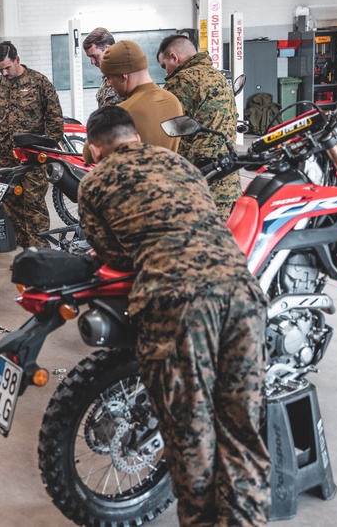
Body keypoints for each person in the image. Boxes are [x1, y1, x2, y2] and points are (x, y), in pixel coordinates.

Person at [77, 105, 271, 527]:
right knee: (242, 433)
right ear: (134, 135)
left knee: (192, 439)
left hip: (176, 306)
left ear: (94, 149)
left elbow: (112, 254)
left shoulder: (94, 184)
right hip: (242, 294)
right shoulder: (178, 162)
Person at [0, 41, 64, 250]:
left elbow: (55, 118)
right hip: (4, 155)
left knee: (34, 203)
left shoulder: (39, 82)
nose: (4, 73)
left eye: (7, 67)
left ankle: (41, 254)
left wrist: (47, 146)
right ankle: (26, 253)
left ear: (17, 60)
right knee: (11, 204)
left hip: (32, 156)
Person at [157, 34, 242, 219]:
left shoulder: (182, 81)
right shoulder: (218, 77)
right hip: (227, 180)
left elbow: (162, 127)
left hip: (198, 182)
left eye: (165, 66)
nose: (166, 73)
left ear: (174, 57)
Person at [82, 39, 184, 163]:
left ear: (124, 75)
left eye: (109, 77)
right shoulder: (173, 101)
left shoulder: (123, 113)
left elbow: (88, 154)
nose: (108, 84)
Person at [82, 27, 124, 108]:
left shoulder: (125, 76)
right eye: (90, 57)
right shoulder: (105, 78)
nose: (92, 62)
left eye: (95, 56)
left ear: (108, 49)